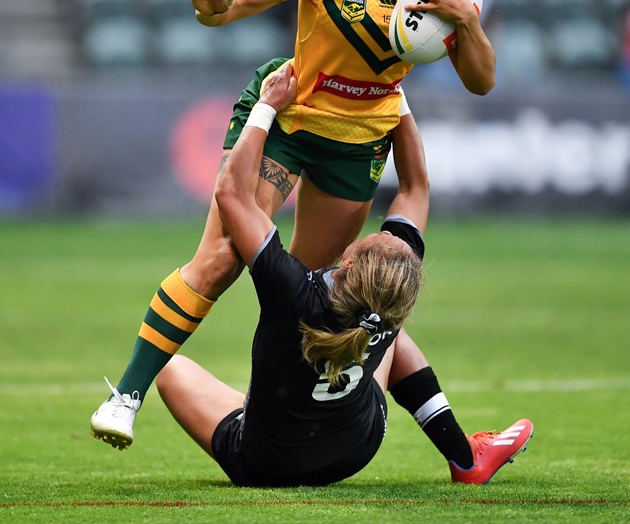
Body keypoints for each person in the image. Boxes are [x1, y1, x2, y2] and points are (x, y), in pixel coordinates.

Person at [90, 0, 495, 448]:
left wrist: (467, 22)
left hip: (360, 141)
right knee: (225, 256)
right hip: (287, 117)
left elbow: (481, 81)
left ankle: (272, 409)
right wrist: (216, 5)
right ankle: (128, 396)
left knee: (306, 292)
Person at [153, 63, 533, 485]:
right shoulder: (394, 290)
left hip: (263, 462)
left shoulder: (295, 291)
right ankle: (464, 457)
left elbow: (230, 193)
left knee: (170, 369)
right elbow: (415, 187)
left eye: (373, 238)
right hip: (354, 449)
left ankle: (264, 413)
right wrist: (389, 94)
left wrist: (264, 108)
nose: (380, 233)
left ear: (349, 261)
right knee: (384, 319)